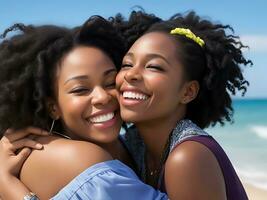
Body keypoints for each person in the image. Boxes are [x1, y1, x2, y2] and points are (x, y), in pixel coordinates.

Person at [0, 16, 167, 199]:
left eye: (110, 83)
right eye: (80, 89)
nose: (102, 97)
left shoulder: (130, 143)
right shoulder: (80, 158)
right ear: (52, 107)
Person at [116, 11, 251, 199]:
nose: (131, 75)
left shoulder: (188, 156)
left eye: (154, 66)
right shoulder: (133, 144)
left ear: (187, 92)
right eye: (127, 64)